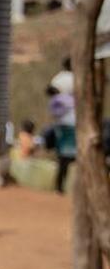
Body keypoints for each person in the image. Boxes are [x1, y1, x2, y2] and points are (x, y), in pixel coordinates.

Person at [49, 58, 79, 192]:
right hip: (75, 121)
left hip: (60, 122)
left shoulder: (57, 79)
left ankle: (59, 187)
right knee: (76, 154)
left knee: (62, 156)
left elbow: (51, 96)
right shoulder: (77, 78)